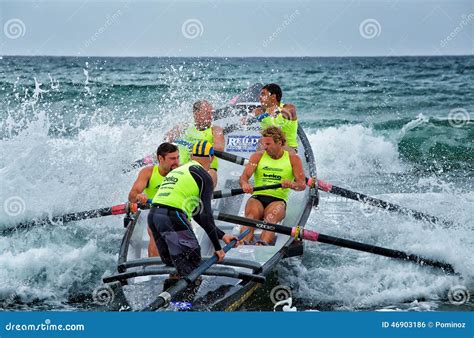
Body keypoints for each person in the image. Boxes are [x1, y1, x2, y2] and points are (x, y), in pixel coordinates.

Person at [148, 140, 238, 299]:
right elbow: (207, 215)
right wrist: (218, 248)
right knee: (195, 267)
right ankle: (185, 309)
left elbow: (198, 213)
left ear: (191, 156)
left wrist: (222, 235)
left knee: (176, 268)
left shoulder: (180, 170)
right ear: (211, 158)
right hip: (173, 216)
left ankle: (167, 305)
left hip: (154, 217)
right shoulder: (204, 176)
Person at [240, 126, 306, 245]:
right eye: (264, 144)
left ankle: (262, 245)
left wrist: (291, 185)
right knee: (250, 218)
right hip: (257, 197)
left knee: (270, 218)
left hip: (278, 200)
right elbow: (244, 177)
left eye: (268, 144)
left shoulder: (293, 159)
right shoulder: (257, 157)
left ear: (279, 143)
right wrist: (245, 184)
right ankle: (242, 243)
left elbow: (301, 185)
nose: (265, 147)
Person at [128, 142, 180, 257]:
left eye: (177, 158)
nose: (176, 162)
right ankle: (155, 266)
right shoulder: (148, 172)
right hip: (153, 211)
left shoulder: (182, 172)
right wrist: (138, 196)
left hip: (177, 211)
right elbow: (132, 195)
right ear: (160, 158)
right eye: (172, 159)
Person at [165, 100, 224, 187]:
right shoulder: (184, 127)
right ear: (196, 114)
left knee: (210, 177)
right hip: (182, 166)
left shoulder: (215, 130)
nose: (211, 116)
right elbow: (166, 140)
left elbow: (220, 148)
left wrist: (198, 148)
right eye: (207, 113)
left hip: (206, 168)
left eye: (211, 113)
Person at [253, 83, 299, 151]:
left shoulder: (289, 108)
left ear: (273, 96)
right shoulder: (259, 111)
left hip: (288, 150)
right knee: (261, 141)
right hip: (269, 149)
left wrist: (277, 110)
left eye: (263, 94)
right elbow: (251, 119)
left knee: (274, 140)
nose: (260, 97)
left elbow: (290, 111)